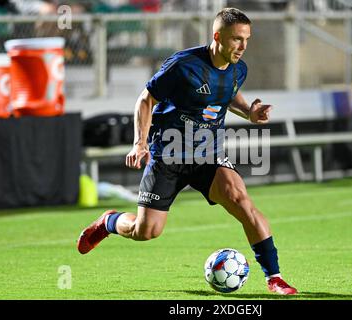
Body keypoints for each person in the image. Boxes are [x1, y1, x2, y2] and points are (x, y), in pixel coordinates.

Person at [77, 8, 298, 295]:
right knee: (146, 232)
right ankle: (109, 221)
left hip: (208, 153)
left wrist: (249, 112)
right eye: (236, 40)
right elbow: (146, 100)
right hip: (167, 154)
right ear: (217, 36)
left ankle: (274, 277)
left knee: (241, 199)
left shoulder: (238, 68)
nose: (242, 47)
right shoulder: (183, 65)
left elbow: (227, 94)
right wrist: (140, 143)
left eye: (246, 39)